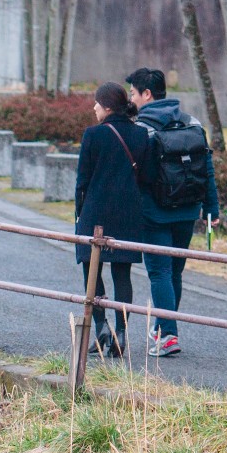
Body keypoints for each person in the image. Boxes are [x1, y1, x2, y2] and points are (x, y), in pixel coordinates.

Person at [126, 67, 221, 357]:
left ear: (147, 94)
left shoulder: (141, 129)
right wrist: (211, 208)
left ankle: (167, 334)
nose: (132, 98)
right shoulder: (191, 121)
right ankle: (164, 327)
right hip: (188, 209)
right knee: (174, 272)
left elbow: (134, 176)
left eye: (133, 93)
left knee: (160, 272)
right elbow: (207, 167)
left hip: (154, 212)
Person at [73, 82, 153, 359]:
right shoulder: (141, 134)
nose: (93, 107)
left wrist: (78, 214)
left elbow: (82, 181)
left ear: (107, 106)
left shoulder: (93, 135)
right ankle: (120, 333)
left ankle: (100, 327)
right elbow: (147, 178)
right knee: (123, 274)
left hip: (94, 213)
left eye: (96, 102)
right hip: (128, 212)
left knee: (91, 269)